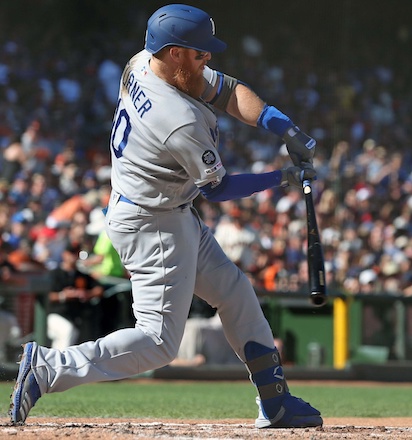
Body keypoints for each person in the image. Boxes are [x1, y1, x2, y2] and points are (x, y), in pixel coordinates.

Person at [9, 4, 321, 429]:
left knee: (235, 294)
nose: (207, 58)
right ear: (175, 53)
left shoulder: (144, 62)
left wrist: (283, 127)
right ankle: (47, 368)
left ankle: (275, 402)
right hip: (152, 223)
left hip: (162, 209)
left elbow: (228, 91)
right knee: (158, 342)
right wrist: (283, 177)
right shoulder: (179, 120)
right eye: (198, 53)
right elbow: (219, 189)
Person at [47, 243, 104, 349]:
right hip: (54, 315)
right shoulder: (54, 274)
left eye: (76, 253)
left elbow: (99, 290)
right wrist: (63, 295)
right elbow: (46, 296)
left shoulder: (80, 275)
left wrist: (87, 294)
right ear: (64, 254)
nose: (73, 256)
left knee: (76, 332)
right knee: (67, 330)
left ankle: (57, 362)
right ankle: (59, 363)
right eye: (71, 253)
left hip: (74, 316)